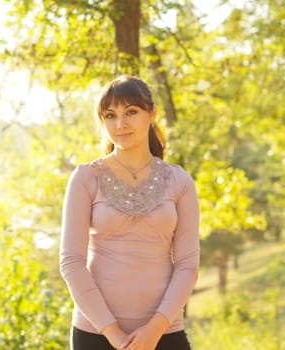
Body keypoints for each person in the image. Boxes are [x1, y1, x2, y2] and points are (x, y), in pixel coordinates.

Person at [59, 75, 200, 350]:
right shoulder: (86, 178)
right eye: (110, 115)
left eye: (131, 112)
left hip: (164, 334)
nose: (120, 124)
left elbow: (187, 266)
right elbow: (72, 263)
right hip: (96, 335)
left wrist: (154, 330)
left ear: (152, 114)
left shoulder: (179, 181)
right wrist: (113, 334)